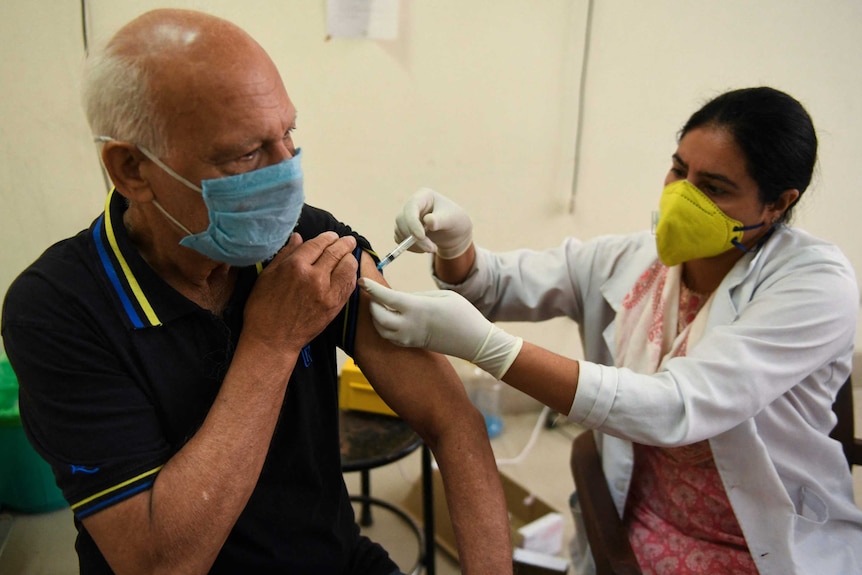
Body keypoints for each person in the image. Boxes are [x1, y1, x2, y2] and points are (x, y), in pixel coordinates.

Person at [0, 9, 514, 575]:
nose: (286, 174)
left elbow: (452, 420)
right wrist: (271, 343)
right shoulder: (58, 310)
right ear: (133, 170)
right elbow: (159, 565)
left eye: (288, 133)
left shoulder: (310, 241)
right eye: (245, 155)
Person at [359, 87, 862, 574]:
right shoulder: (631, 260)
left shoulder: (815, 286)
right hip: (645, 516)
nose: (681, 196)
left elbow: (675, 406)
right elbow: (494, 286)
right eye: (678, 169)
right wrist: (457, 246)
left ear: (777, 203)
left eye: (713, 188)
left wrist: (489, 349)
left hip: (768, 541)